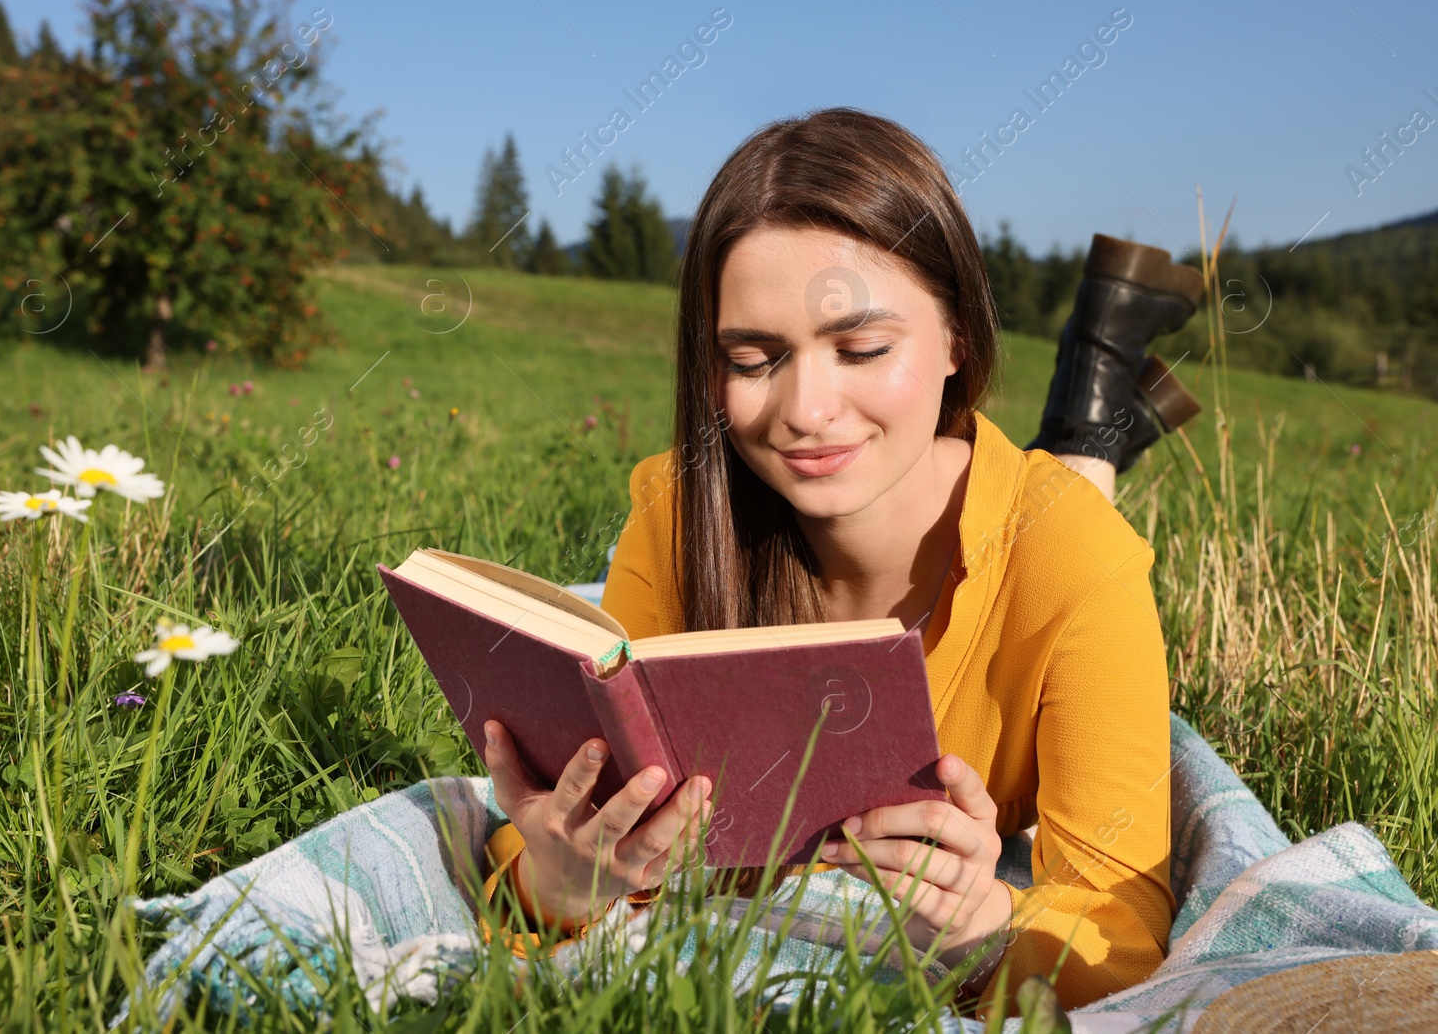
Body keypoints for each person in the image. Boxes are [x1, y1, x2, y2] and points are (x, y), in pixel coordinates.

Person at [475, 107, 1204, 1019]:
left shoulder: (1077, 561)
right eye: (752, 358)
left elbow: (1120, 928)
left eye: (862, 348)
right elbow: (545, 870)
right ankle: (1102, 412)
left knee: (1067, 501)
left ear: (957, 339)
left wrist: (991, 937)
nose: (805, 409)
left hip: (1037, 526)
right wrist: (564, 879)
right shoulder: (676, 510)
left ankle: (1096, 422)